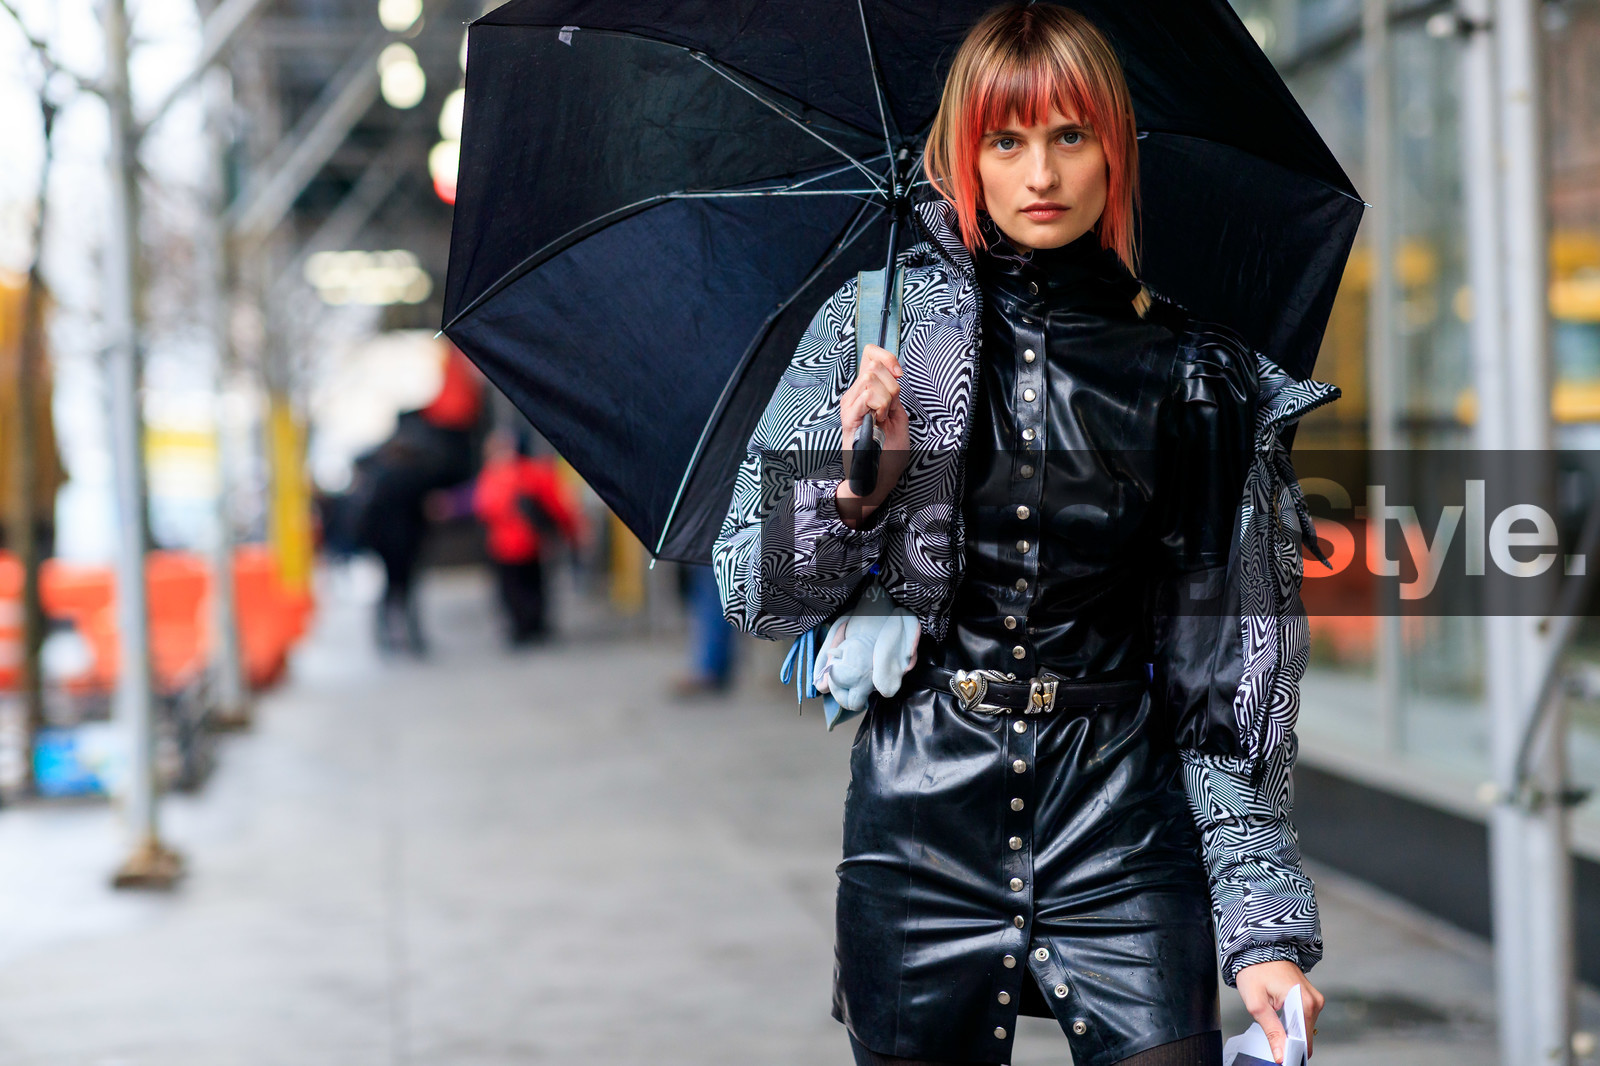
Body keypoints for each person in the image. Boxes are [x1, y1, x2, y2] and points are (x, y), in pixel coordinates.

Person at [713, 7, 1331, 1066]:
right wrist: (857, 486)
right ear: (967, 156)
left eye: (1068, 135)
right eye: (1005, 140)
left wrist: (1262, 932)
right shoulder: (877, 335)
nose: (1039, 173)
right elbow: (751, 592)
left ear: (1113, 150)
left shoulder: (1198, 375)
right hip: (918, 827)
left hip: (1126, 826)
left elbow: (1231, 681)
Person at [472, 429, 585, 645]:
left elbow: (483, 507)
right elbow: (557, 506)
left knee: (517, 587)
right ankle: (531, 625)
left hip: (512, 544)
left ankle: (524, 627)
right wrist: (570, 532)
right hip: (523, 543)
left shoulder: (499, 475)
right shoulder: (528, 473)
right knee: (530, 586)